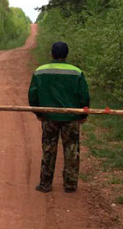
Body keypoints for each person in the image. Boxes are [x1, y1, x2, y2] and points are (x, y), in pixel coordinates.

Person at [28, 41, 90, 193]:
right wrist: (83, 114)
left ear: (52, 54)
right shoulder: (77, 72)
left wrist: (39, 113)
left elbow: (32, 94)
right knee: (71, 149)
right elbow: (84, 95)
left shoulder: (40, 71)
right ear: (67, 54)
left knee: (48, 148)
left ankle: (45, 184)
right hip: (72, 118)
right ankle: (70, 184)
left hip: (49, 117)